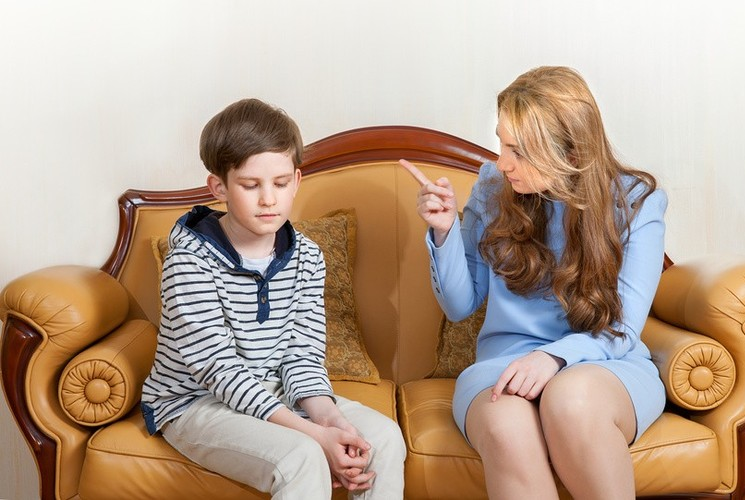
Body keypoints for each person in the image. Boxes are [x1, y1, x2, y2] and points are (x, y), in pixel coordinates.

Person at [401, 66, 667, 499]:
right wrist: (445, 230)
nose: (502, 162)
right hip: (504, 365)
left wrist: (553, 358)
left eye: (519, 151)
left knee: (571, 400)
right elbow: (459, 305)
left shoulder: (638, 202)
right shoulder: (493, 186)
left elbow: (622, 328)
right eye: (502, 143)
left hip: (607, 365)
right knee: (506, 426)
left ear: (572, 154)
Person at [141, 98, 405, 499]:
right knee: (301, 456)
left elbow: (303, 354)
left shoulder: (307, 257)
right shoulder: (190, 261)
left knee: (382, 440)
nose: (268, 199)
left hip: (273, 390)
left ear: (296, 181)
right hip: (196, 403)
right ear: (219, 187)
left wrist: (331, 420)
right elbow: (219, 371)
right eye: (251, 186)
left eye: (280, 184)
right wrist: (314, 435)